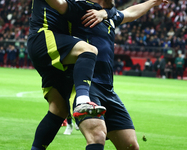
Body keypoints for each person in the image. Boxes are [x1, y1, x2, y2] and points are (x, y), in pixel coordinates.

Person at [62, 0, 169, 149]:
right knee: (97, 136)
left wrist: (152, 2)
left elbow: (131, 13)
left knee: (131, 146)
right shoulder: (81, 9)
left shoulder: (110, 17)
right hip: (86, 86)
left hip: (108, 90)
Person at [27, 1, 112, 149]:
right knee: (88, 51)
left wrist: (105, 13)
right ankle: (82, 100)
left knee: (58, 109)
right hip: (45, 37)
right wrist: (105, 12)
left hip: (57, 49)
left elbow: (110, 8)